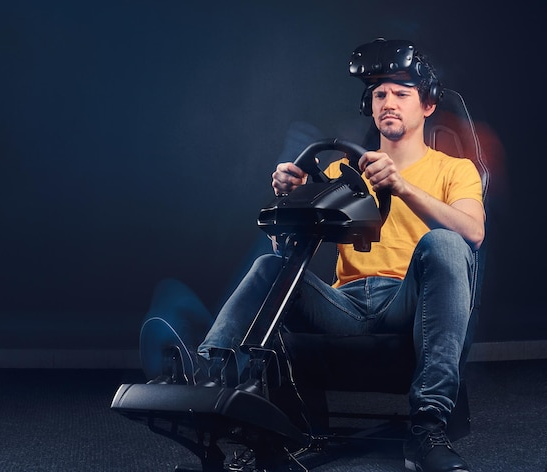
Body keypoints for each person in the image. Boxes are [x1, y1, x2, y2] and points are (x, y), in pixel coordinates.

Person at [144, 38, 485, 472]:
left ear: (427, 107)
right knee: (270, 266)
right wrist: (292, 198)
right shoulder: (343, 175)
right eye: (380, 94)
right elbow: (287, 254)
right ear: (371, 104)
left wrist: (401, 186)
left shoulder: (455, 170)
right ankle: (208, 380)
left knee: (445, 242)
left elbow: (473, 232)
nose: (389, 102)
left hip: (410, 302)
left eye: (402, 93)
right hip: (346, 303)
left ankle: (427, 429)